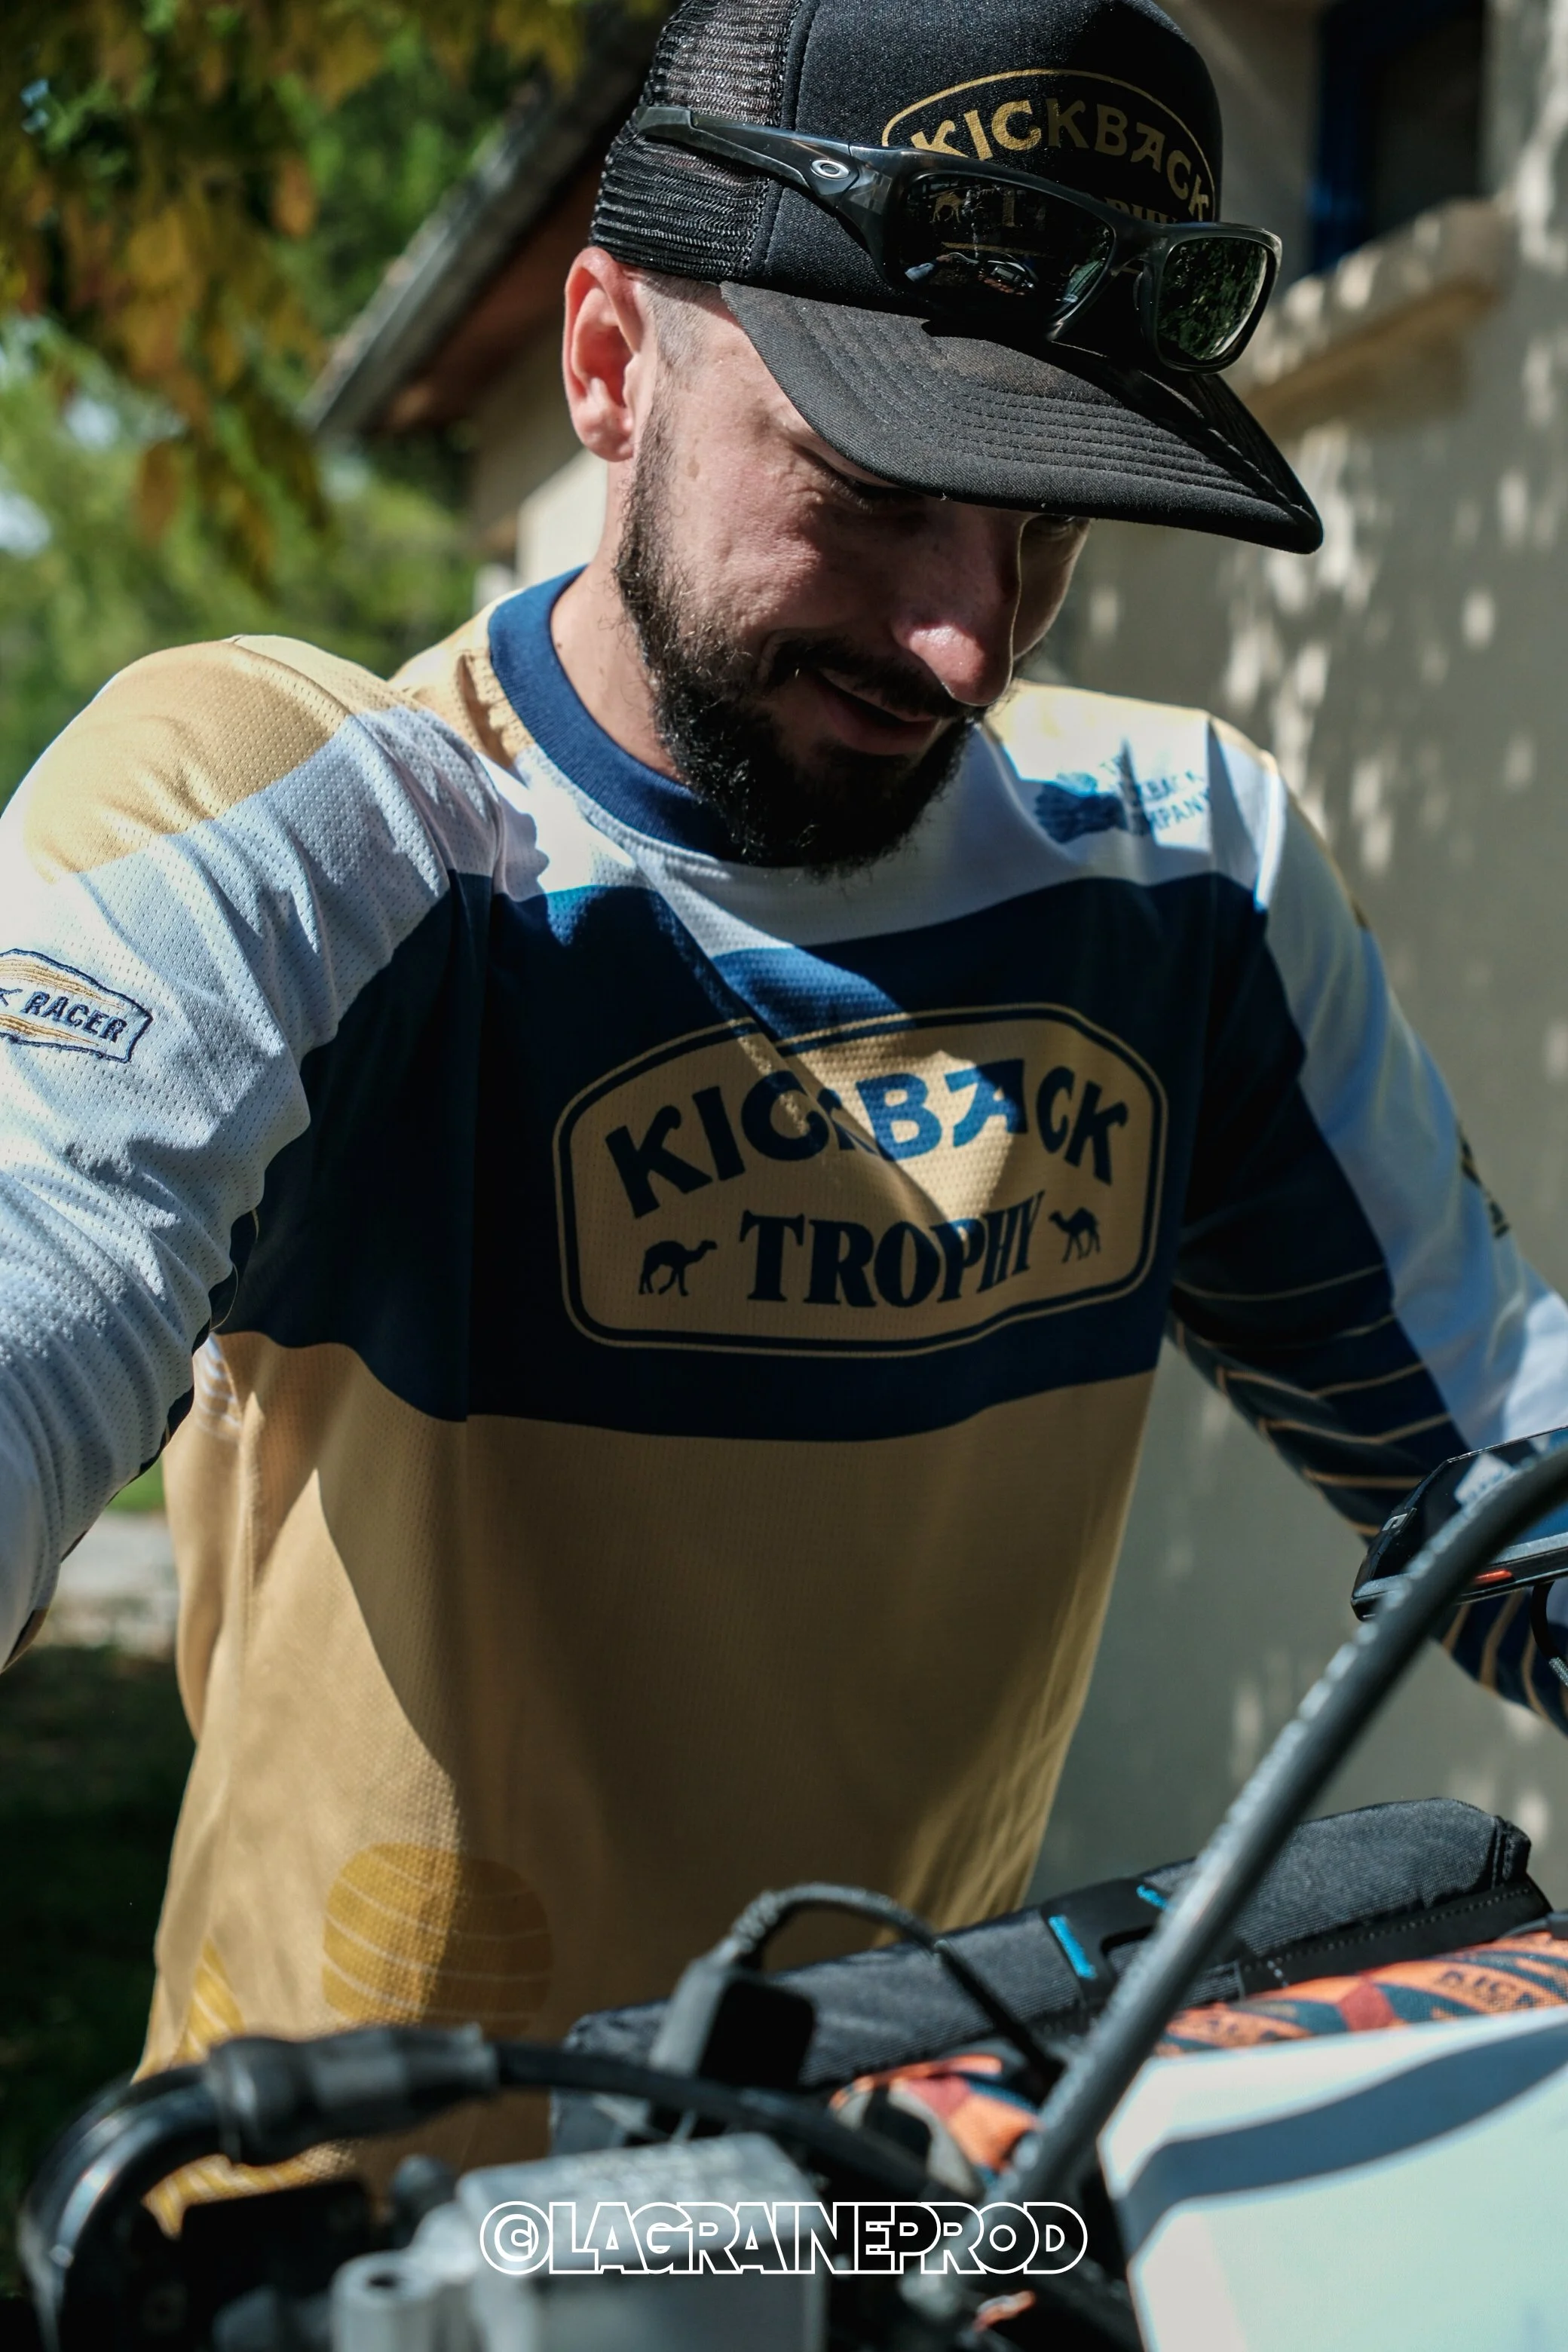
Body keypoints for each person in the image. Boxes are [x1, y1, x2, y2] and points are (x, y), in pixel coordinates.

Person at [3, 0, 1566, 2203]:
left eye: (1051, 529)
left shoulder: (1180, 877)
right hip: (330, 2242)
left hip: (847, 2222)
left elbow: (1510, 1455)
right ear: (613, 362)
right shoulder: (317, 841)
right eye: (878, 491)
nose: (970, 645)